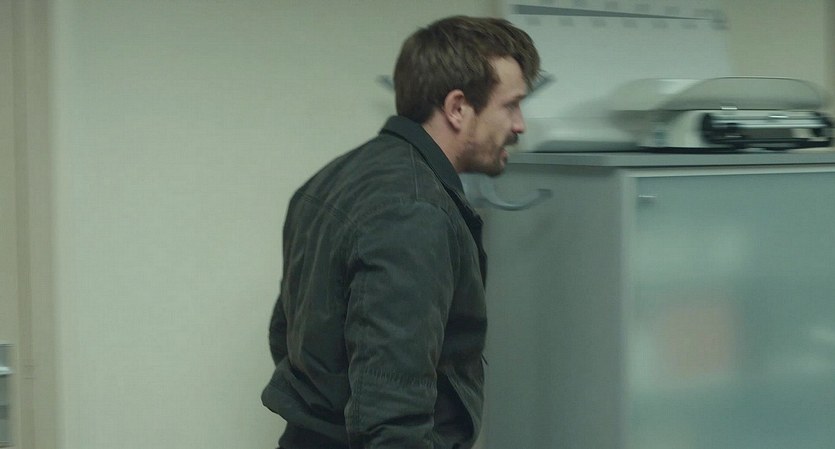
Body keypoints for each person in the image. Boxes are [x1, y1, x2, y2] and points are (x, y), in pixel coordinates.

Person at [262, 15, 540, 449]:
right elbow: (391, 416)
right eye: (511, 105)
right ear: (457, 107)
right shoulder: (415, 213)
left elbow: (288, 336)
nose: (519, 125)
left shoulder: (330, 179)